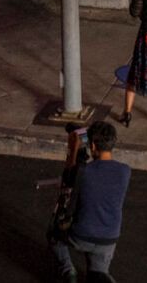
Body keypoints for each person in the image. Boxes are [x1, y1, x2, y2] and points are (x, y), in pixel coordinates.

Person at [55, 120, 130, 282]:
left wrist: (74, 148)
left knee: (54, 236)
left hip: (81, 235)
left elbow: (68, 178)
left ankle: (69, 272)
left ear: (93, 147)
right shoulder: (125, 171)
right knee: (97, 274)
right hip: (109, 238)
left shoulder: (83, 172)